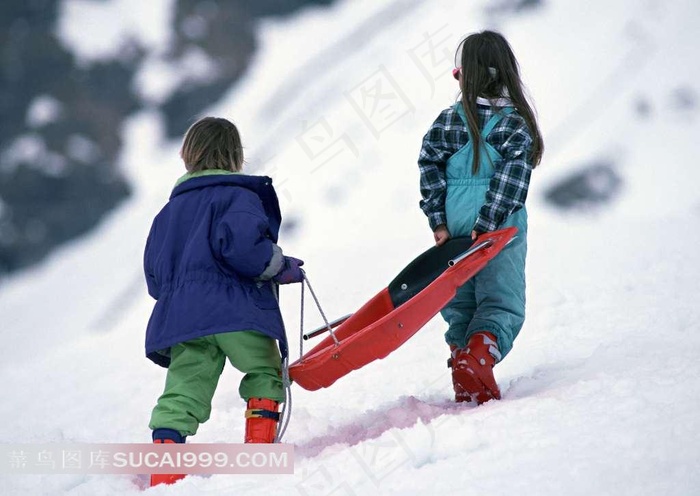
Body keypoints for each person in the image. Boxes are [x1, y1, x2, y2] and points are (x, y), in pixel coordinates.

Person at [143, 116, 303, 486]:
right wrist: (278, 266)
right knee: (264, 371)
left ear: (187, 156)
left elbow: (155, 278)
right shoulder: (238, 197)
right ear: (235, 156)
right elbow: (246, 250)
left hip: (185, 320)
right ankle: (259, 452)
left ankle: (165, 471)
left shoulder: (167, 213)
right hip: (238, 312)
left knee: (184, 386)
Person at [417, 30, 544, 405]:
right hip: (499, 228)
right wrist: (489, 222)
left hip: (455, 229)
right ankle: (478, 357)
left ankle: (462, 360)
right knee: (501, 300)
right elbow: (512, 177)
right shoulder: (513, 124)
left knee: (461, 299)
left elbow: (429, 168)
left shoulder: (447, 121)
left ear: (464, 75)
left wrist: (438, 221)